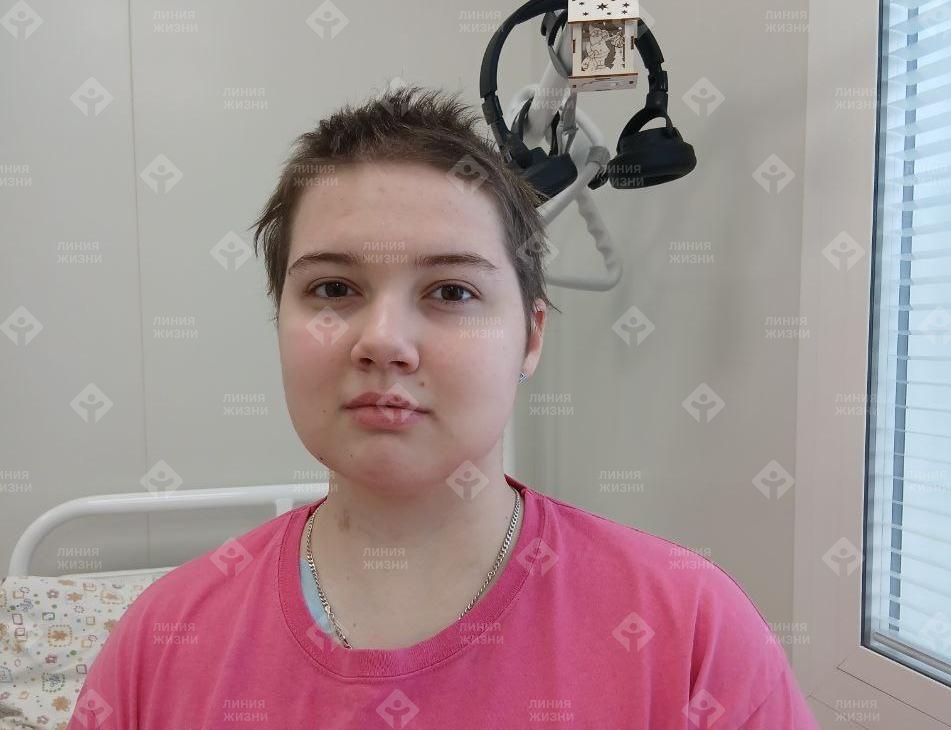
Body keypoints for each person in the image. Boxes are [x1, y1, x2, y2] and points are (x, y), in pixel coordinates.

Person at [66, 84, 819, 728]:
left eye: (452, 291)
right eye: (334, 288)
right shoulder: (161, 643)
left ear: (531, 336)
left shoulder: (691, 634)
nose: (383, 341)